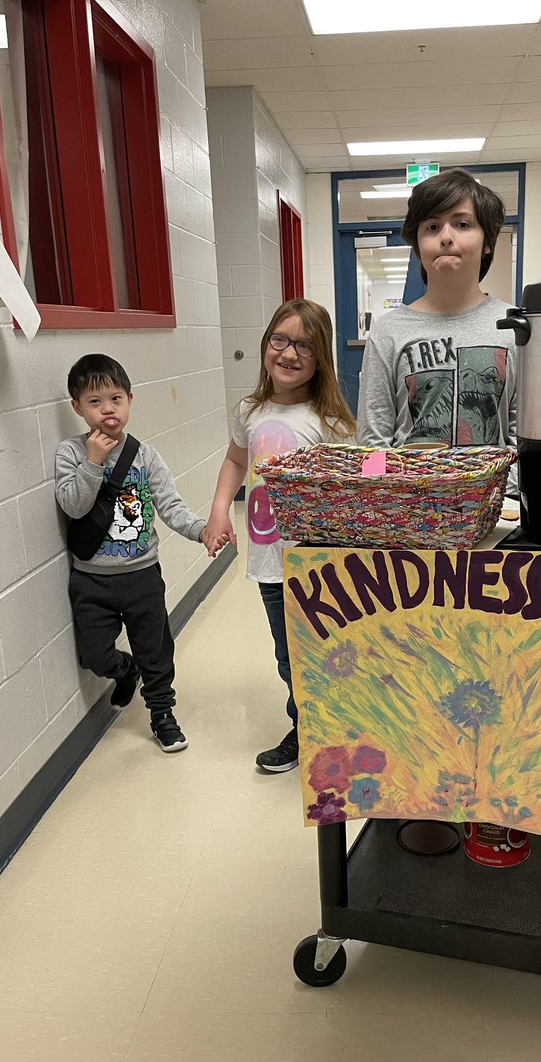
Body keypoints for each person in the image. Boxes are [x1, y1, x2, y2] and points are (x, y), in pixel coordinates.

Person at [206, 299, 355, 773]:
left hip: (319, 563)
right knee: (288, 654)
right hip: (270, 562)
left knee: (329, 648)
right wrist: (218, 513)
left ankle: (340, 728)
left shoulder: (329, 420)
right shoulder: (249, 409)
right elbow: (235, 460)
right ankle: (303, 730)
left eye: (305, 346)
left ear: (321, 358)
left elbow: (352, 483)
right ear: (266, 343)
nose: (289, 354)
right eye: (280, 340)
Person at [56, 353, 213, 753]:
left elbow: (170, 505)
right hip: (92, 578)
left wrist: (201, 531)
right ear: (77, 407)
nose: (107, 409)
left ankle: (162, 714)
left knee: (155, 651)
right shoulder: (71, 454)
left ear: (129, 400)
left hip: (142, 575)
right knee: (94, 655)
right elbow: (73, 506)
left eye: (115, 398)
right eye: (94, 401)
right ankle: (125, 671)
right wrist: (93, 462)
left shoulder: (145, 456)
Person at [357, 168, 517, 482]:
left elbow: (523, 437)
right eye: (432, 226)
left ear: (487, 242)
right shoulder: (388, 331)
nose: (446, 236)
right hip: (409, 511)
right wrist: (380, 500)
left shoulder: (513, 327)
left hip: (496, 512)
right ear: (418, 245)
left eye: (462, 224)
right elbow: (372, 441)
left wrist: (497, 495)